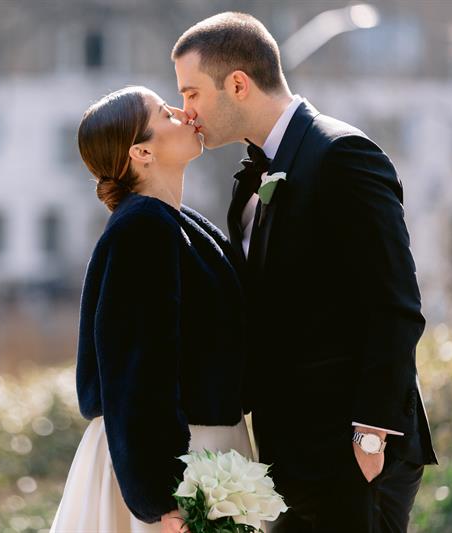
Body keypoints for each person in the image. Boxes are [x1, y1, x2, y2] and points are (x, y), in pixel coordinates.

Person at [171, 12, 437, 533]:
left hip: (354, 450)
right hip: (286, 449)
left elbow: (395, 306)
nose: (186, 112)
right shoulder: (249, 180)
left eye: (192, 93)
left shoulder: (342, 156)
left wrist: (370, 435)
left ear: (239, 84)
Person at [49, 86, 253, 533]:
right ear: (141, 150)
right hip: (171, 472)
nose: (184, 113)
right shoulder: (142, 228)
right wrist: (163, 500)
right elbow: (137, 372)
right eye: (166, 112)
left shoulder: (178, 223)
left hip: (205, 454)